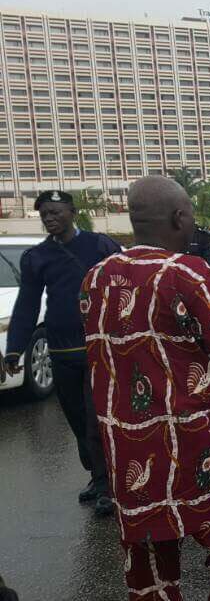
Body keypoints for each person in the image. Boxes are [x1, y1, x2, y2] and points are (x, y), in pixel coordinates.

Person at [82, 175, 210, 600]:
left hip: (130, 447)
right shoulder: (188, 273)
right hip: (201, 446)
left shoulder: (97, 276)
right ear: (179, 217)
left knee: (148, 561)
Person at [2, 189, 122, 517]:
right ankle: (96, 474)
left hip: (99, 347)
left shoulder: (101, 246)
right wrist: (14, 351)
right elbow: (27, 304)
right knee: (76, 417)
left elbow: (125, 287)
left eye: (56, 212)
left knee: (96, 418)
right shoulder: (36, 257)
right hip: (61, 350)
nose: (50, 218)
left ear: (72, 211)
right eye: (44, 215)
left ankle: (108, 484)